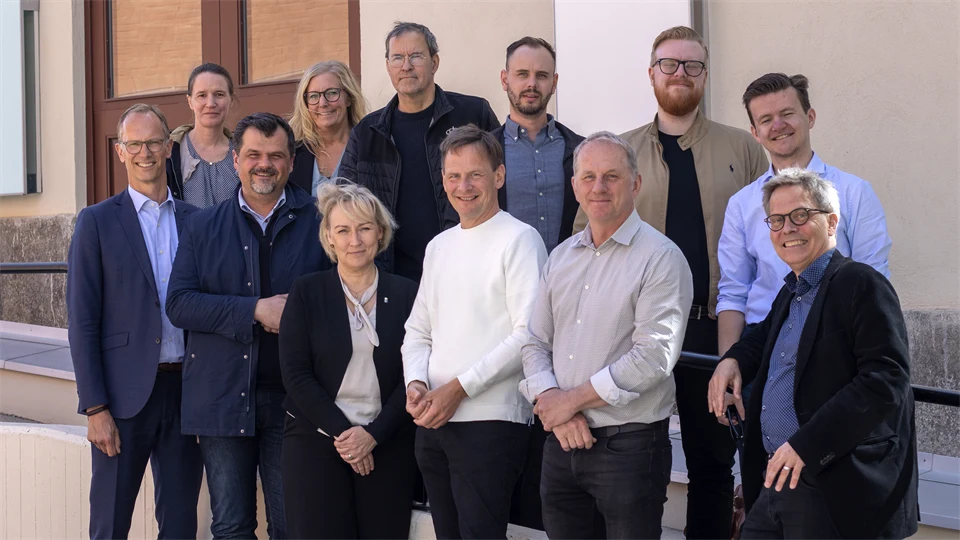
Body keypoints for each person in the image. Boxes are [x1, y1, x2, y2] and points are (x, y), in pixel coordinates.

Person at [571, 26, 768, 538]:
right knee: (633, 457)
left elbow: (764, 240)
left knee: (712, 462)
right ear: (652, 73)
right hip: (630, 334)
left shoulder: (742, 148)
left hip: (712, 331)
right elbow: (584, 241)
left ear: (705, 74)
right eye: (669, 64)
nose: (680, 73)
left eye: (692, 65)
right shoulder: (620, 153)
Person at [708, 169, 917, 540]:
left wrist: (806, 446)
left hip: (829, 484)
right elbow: (762, 339)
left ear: (831, 222)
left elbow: (885, 381)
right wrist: (732, 361)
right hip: (775, 479)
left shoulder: (861, 283)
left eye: (800, 215)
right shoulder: (793, 290)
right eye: (776, 220)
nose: (787, 228)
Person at [166, 113, 331, 539]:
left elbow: (341, 300)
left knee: (293, 525)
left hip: (296, 399)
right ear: (236, 160)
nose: (265, 165)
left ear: (291, 162)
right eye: (254, 154)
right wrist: (255, 310)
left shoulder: (322, 223)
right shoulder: (202, 225)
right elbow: (179, 305)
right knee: (231, 527)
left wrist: (301, 315)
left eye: (276, 156)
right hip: (221, 395)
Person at [521, 132, 693, 540]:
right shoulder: (560, 257)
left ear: (635, 184)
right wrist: (554, 403)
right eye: (589, 176)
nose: (599, 187)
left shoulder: (661, 258)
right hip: (561, 442)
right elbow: (534, 342)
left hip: (628, 447)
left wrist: (569, 402)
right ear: (575, 185)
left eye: (611, 176)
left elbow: (653, 357)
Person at [402, 126, 547, 540]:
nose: (463, 187)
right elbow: (417, 331)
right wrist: (416, 383)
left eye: (475, 175)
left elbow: (528, 336)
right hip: (433, 420)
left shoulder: (520, 239)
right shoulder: (439, 246)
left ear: (498, 176)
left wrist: (457, 389)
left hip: (491, 423)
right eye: (454, 176)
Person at [68, 103, 203, 539]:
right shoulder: (96, 222)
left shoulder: (197, 222)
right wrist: (95, 408)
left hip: (186, 395)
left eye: (154, 143)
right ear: (120, 151)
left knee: (180, 525)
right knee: (110, 524)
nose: (145, 153)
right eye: (135, 144)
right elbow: (82, 322)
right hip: (122, 400)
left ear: (169, 148)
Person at [279, 181, 418, 539]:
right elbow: (296, 375)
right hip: (315, 441)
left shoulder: (407, 294)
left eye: (364, 228)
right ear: (329, 237)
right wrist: (347, 437)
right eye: (343, 230)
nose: (354, 240)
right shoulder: (306, 292)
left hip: (386, 440)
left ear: (380, 232)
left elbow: (414, 374)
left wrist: (372, 436)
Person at [717, 73, 891, 354]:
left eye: (787, 114)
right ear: (755, 132)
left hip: (834, 339)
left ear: (810, 117)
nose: (778, 125)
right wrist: (729, 362)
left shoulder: (854, 192)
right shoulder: (741, 204)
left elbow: (874, 281)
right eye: (766, 120)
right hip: (762, 343)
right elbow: (733, 293)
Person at [339, 21, 500, 281]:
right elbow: (344, 205)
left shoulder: (473, 114)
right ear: (388, 66)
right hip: (392, 279)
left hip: (467, 269)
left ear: (434, 62)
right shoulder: (367, 133)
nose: (406, 66)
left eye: (415, 56)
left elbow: (501, 184)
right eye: (397, 58)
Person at [492, 36, 584, 253]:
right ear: (505, 80)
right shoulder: (485, 152)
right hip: (505, 273)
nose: (531, 84)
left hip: (570, 272)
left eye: (541, 75)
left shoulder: (581, 151)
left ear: (554, 83)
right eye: (522, 74)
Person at [287, 61, 368, 196]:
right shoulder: (292, 152)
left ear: (349, 98)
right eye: (314, 96)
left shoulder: (370, 148)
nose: (323, 103)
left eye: (332, 93)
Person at [166, 63, 240, 207]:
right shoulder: (171, 153)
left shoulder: (242, 152)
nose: (210, 103)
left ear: (231, 99)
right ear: (190, 101)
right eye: (202, 95)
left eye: (219, 94)